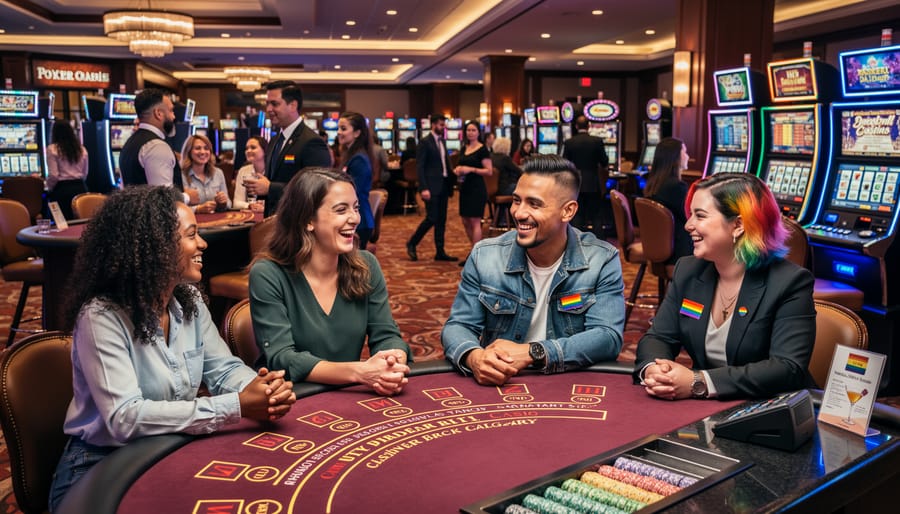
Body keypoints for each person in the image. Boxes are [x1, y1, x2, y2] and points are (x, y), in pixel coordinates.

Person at [48, 186, 296, 511]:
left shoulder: (188, 299)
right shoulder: (102, 316)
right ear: (154, 248)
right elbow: (125, 418)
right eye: (191, 235)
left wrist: (259, 389)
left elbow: (224, 368)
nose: (203, 243)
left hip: (168, 447)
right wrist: (235, 406)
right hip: (99, 464)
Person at [442, 155, 625, 385]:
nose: (518, 213)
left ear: (567, 211)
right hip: (502, 386)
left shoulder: (601, 259)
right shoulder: (484, 255)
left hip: (566, 385)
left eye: (534, 204)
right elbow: (458, 326)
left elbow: (607, 337)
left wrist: (533, 352)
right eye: (517, 200)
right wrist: (474, 357)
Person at [634, 173, 816, 400]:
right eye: (691, 215)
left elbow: (786, 368)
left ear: (738, 225)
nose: (688, 225)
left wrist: (699, 381)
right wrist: (654, 369)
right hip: (706, 409)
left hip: (769, 410)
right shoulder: (689, 270)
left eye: (700, 216)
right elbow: (658, 337)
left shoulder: (789, 282)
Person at [249, 168, 411, 394]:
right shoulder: (268, 274)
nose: (354, 218)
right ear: (307, 220)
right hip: (290, 397)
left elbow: (386, 335)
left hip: (348, 393)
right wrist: (360, 372)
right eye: (341, 210)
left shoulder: (366, 266)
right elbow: (283, 358)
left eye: (355, 208)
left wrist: (393, 358)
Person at [242, 80, 332, 216]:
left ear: (293, 105)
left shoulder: (312, 141)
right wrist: (258, 187)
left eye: (275, 104)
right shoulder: (275, 140)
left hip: (297, 224)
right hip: (274, 221)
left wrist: (270, 188)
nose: (268, 109)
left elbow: (317, 189)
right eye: (267, 104)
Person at [119, 88, 195, 204]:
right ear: (158, 113)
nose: (174, 117)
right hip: (153, 221)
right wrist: (188, 197)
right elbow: (162, 198)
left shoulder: (129, 143)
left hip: (133, 217)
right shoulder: (157, 146)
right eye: (170, 111)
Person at [406, 114, 458, 262]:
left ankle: (440, 251)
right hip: (431, 186)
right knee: (431, 218)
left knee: (441, 220)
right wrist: (423, 187)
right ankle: (412, 243)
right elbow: (420, 166)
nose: (443, 128)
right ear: (433, 125)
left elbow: (444, 163)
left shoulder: (442, 141)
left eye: (444, 125)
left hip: (443, 185)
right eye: (441, 125)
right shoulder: (424, 142)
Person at [642, 137, 693, 262]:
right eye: (684, 152)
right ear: (675, 157)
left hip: (660, 246)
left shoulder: (655, 183)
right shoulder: (676, 187)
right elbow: (691, 218)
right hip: (680, 251)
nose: (688, 156)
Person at [563, 115, 609, 238]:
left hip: (576, 183)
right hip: (593, 182)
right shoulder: (597, 141)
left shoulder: (569, 142)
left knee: (577, 215)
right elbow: (604, 162)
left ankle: (577, 242)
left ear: (576, 126)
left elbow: (565, 164)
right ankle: (599, 244)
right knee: (596, 216)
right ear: (588, 126)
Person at [337, 112, 376, 249]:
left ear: (357, 133)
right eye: (339, 128)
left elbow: (353, 193)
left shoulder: (359, 159)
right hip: (354, 218)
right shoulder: (351, 155)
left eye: (343, 128)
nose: (338, 132)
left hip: (360, 221)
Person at [455, 120, 493, 251]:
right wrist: (459, 169)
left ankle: (475, 255)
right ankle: (475, 251)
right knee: (465, 221)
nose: (470, 133)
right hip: (465, 187)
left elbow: (489, 171)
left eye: (473, 130)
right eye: (468, 130)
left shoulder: (482, 149)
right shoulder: (464, 148)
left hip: (477, 188)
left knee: (475, 221)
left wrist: (471, 169)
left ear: (478, 132)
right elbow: (461, 165)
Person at [45, 120, 88, 220]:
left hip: (61, 191)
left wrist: (49, 188)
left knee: (60, 224)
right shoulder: (82, 149)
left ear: (54, 133)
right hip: (80, 188)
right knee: (79, 224)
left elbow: (53, 175)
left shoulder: (52, 149)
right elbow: (85, 173)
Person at [180, 134, 230, 213]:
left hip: (217, 222)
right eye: (198, 148)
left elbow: (229, 204)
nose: (203, 152)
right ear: (189, 151)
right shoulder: (180, 175)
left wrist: (222, 203)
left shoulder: (218, 173)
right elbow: (177, 208)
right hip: (192, 222)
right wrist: (198, 209)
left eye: (206, 148)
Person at [232, 135, 267, 211]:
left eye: (253, 147)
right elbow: (236, 202)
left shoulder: (273, 170)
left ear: (264, 150)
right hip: (249, 214)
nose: (248, 151)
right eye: (246, 148)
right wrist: (250, 205)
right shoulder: (243, 171)